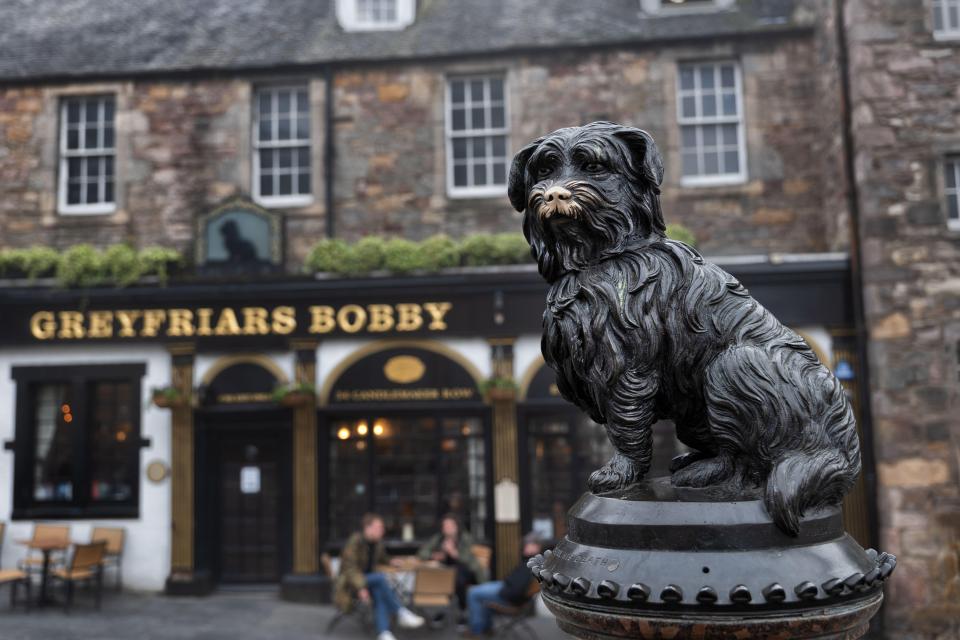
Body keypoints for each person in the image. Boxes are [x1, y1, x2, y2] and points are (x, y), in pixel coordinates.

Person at [334, 513, 425, 640]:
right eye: (378, 527)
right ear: (367, 528)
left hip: (370, 582)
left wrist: (390, 561)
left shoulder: (377, 543)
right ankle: (400, 612)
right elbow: (350, 570)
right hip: (350, 584)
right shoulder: (355, 541)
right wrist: (361, 587)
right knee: (381, 578)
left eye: (382, 528)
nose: (382, 531)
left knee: (379, 591)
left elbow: (382, 558)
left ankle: (384, 634)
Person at [463, 532, 542, 637]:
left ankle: (476, 631)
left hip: (506, 594)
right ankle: (486, 628)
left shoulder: (532, 565)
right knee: (478, 592)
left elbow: (516, 590)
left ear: (537, 547)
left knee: (473, 593)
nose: (525, 546)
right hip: (506, 588)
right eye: (525, 544)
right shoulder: (534, 561)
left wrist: (503, 591)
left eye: (528, 544)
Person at [416, 514, 488, 625]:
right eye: (445, 526)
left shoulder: (465, 538)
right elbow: (422, 553)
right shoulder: (439, 538)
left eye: (449, 526)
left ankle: (450, 611)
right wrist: (434, 555)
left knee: (457, 579)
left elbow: (468, 559)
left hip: (468, 571)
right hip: (445, 573)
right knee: (448, 578)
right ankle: (455, 611)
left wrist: (453, 552)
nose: (446, 528)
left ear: (456, 527)